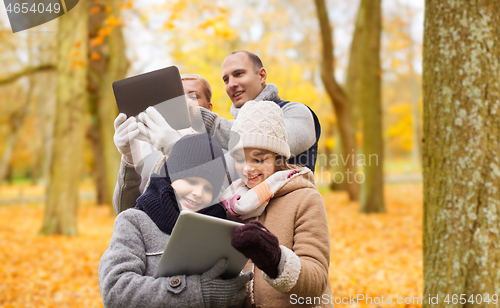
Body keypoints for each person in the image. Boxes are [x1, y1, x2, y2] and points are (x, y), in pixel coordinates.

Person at [99, 133, 252, 308]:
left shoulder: (220, 229)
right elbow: (115, 291)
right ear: (171, 176)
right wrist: (198, 291)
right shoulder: (134, 222)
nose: (198, 192)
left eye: (208, 187)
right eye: (191, 180)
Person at [221, 101, 333, 308]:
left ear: (277, 158)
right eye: (240, 159)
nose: (248, 169)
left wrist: (276, 260)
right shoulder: (231, 203)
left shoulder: (305, 198)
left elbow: (317, 279)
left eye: (259, 160)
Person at [188, 50, 321, 173]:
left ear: (262, 76)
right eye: (226, 80)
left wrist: (202, 119)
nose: (231, 84)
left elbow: (261, 142)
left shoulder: (297, 112)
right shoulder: (229, 130)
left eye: (238, 74)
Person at [112, 73, 220, 213]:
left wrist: (177, 149)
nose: (185, 102)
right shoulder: (148, 147)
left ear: (209, 108)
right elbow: (124, 209)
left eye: (194, 96)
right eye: (178, 97)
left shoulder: (218, 147)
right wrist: (129, 158)